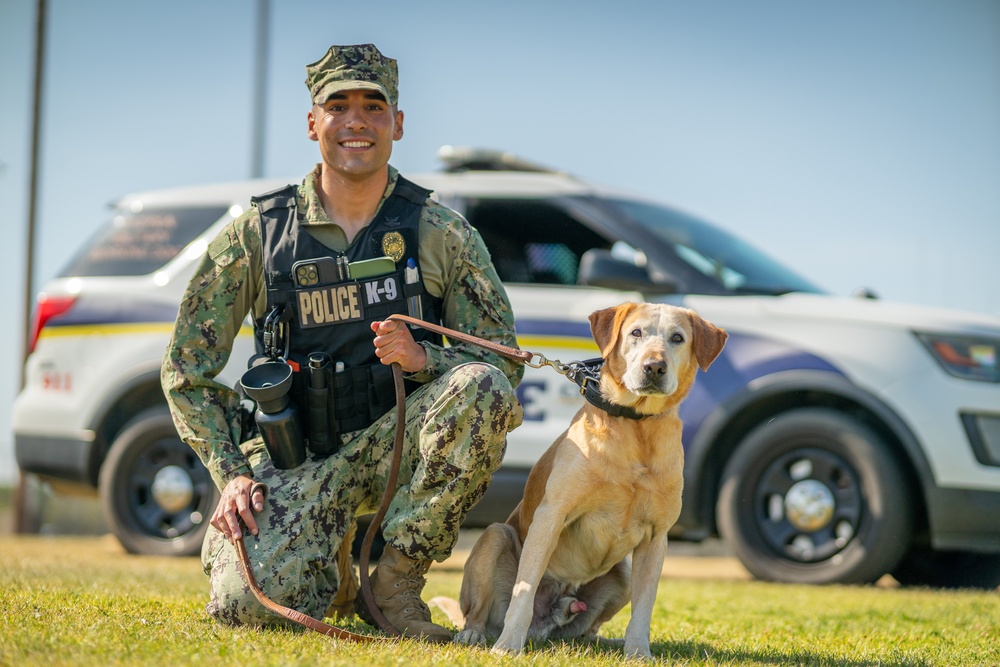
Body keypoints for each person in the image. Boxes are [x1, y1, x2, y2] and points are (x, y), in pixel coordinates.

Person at [160, 43, 524, 642]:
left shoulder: (441, 234)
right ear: (313, 122)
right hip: (295, 457)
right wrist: (228, 473)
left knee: (481, 390)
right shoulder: (258, 236)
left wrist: (424, 356)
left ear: (397, 123)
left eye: (374, 106)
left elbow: (503, 360)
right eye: (338, 105)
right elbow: (185, 371)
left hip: (397, 445)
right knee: (244, 607)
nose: (356, 120)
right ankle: (333, 569)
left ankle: (395, 586)